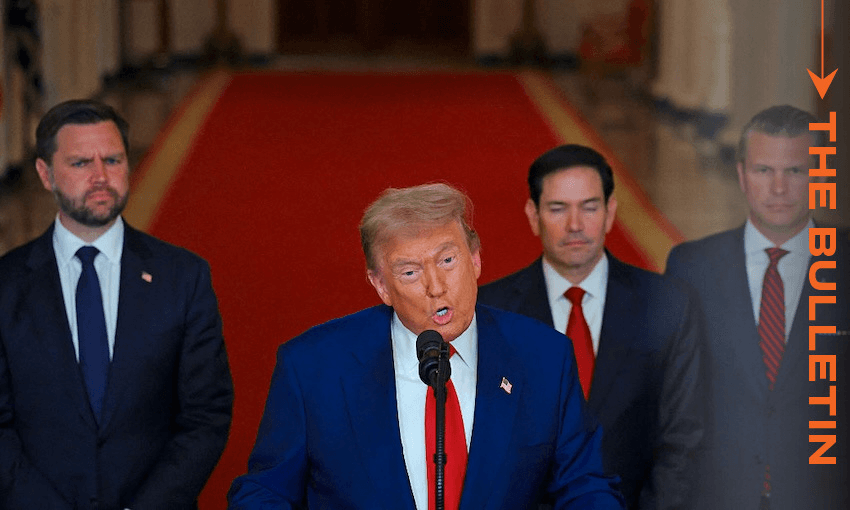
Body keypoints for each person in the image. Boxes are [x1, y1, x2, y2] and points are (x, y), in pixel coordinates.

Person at [228, 183, 624, 509]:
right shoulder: (313, 367)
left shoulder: (544, 357)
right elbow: (265, 492)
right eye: (410, 272)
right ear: (381, 285)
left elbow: (584, 486)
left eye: (448, 260)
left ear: (476, 259)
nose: (436, 287)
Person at [0, 100, 233, 509]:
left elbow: (205, 416)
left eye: (112, 159)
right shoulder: (6, 285)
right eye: (80, 163)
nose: (101, 177)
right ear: (44, 173)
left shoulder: (183, 276)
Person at [478, 144, 703, 509]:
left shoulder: (669, 305)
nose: (575, 225)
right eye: (557, 209)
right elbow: (483, 447)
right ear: (533, 216)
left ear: (611, 212)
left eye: (589, 207)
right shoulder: (490, 312)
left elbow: (685, 440)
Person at [665, 105, 849, 510]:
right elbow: (673, 403)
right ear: (742, 175)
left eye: (796, 171)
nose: (779, 188)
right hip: (718, 497)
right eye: (764, 171)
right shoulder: (691, 267)